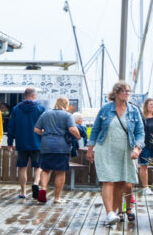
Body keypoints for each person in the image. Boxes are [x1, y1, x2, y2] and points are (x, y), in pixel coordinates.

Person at [87, 81, 144, 225]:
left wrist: (137, 148)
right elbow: (95, 130)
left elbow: (140, 132)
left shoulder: (133, 110)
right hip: (105, 148)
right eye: (124, 91)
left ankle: (116, 211)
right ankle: (109, 213)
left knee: (120, 183)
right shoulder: (106, 109)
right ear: (116, 93)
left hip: (126, 150)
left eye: (128, 91)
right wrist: (90, 149)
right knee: (109, 180)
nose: (127, 93)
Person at [34, 97, 81, 204]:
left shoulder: (46, 114)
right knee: (60, 172)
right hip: (61, 146)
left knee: (45, 169)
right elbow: (72, 129)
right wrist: (78, 136)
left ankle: (44, 189)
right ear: (66, 105)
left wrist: (45, 134)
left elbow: (36, 129)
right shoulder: (67, 115)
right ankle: (56, 198)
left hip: (46, 145)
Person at [6, 87, 46, 199]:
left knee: (22, 167)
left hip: (21, 142)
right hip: (37, 142)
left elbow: (11, 126)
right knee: (38, 167)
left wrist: (10, 142)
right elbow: (45, 125)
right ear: (33, 96)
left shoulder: (16, 109)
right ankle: (35, 184)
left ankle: (23, 192)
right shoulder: (41, 108)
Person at [139, 98, 153, 193]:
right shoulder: (142, 117)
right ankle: (145, 188)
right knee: (143, 166)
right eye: (151, 104)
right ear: (146, 106)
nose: (152, 106)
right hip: (144, 145)